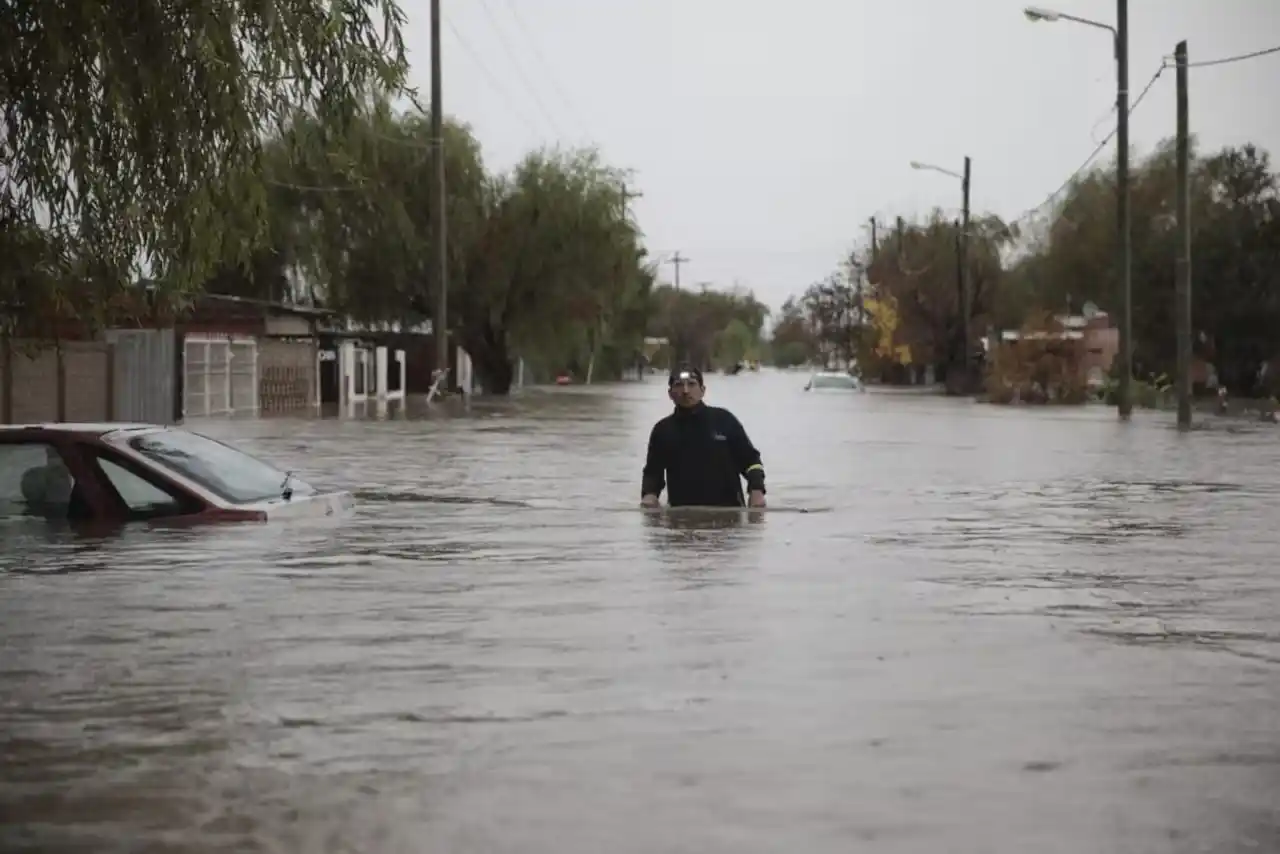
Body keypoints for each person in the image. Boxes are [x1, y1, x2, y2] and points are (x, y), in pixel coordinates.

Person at [641, 365, 767, 508]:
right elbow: (652, 473)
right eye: (679, 385)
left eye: (692, 384)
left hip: (730, 518)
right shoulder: (662, 430)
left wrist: (757, 492)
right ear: (670, 393)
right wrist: (649, 496)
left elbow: (752, 461)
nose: (686, 391)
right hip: (680, 519)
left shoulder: (725, 421)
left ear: (703, 391)